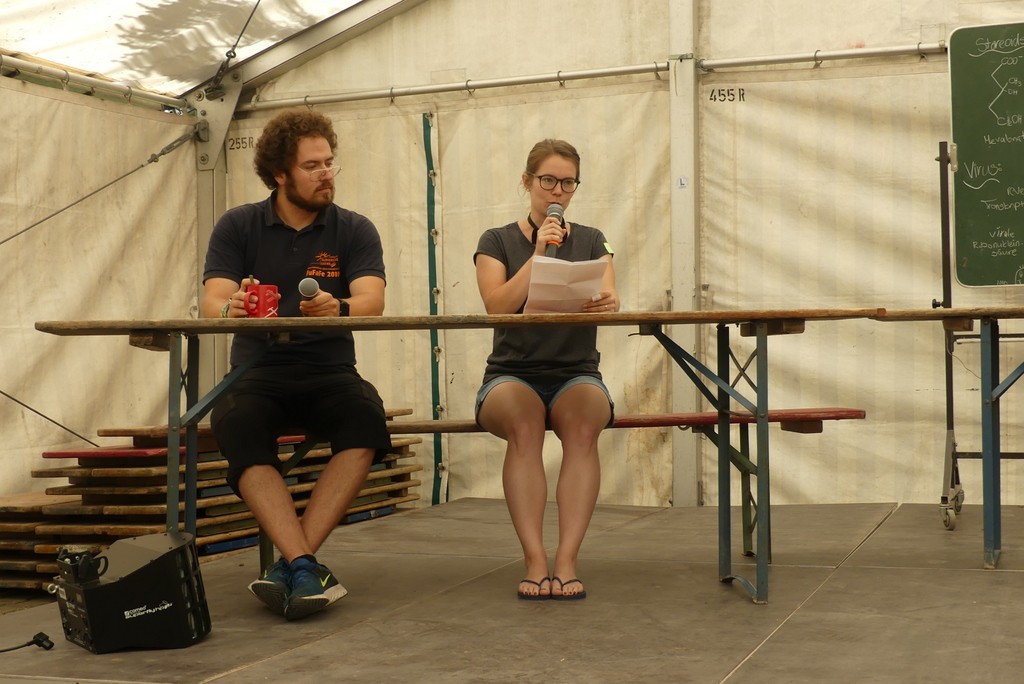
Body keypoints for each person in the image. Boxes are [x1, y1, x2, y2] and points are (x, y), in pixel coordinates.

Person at [201, 109, 391, 621]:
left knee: (366, 421)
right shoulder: (239, 224)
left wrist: (339, 308)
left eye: (329, 162)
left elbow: (372, 300)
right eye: (312, 166)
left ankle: (294, 563)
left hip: (330, 370)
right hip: (256, 373)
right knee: (236, 423)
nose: (326, 173)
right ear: (279, 174)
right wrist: (232, 307)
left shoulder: (354, 228)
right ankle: (305, 564)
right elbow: (214, 300)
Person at [473, 139, 619, 601]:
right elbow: (497, 308)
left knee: (584, 425)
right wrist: (538, 255)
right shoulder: (495, 241)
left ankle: (567, 559)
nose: (558, 191)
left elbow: (610, 296)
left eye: (568, 183)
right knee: (525, 424)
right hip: (512, 373)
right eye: (549, 180)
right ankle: (535, 559)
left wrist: (607, 303)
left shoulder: (593, 239)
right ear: (527, 181)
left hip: (575, 371)